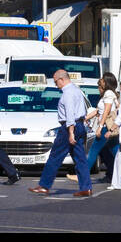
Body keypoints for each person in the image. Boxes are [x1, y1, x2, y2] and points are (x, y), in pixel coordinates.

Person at [32, 69, 94, 197]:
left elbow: (70, 114)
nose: (56, 85)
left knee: (55, 156)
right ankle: (86, 187)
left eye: (56, 82)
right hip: (80, 125)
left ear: (61, 79)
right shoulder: (77, 90)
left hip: (69, 127)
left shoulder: (67, 93)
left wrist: (71, 132)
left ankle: (44, 185)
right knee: (80, 158)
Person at [80, 72, 119, 182]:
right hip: (107, 126)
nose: (100, 81)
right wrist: (86, 118)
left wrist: (100, 127)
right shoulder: (107, 94)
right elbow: (98, 110)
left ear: (107, 82)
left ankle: (81, 176)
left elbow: (106, 110)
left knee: (94, 150)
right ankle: (115, 174)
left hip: (106, 127)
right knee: (109, 152)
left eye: (102, 79)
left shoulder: (109, 94)